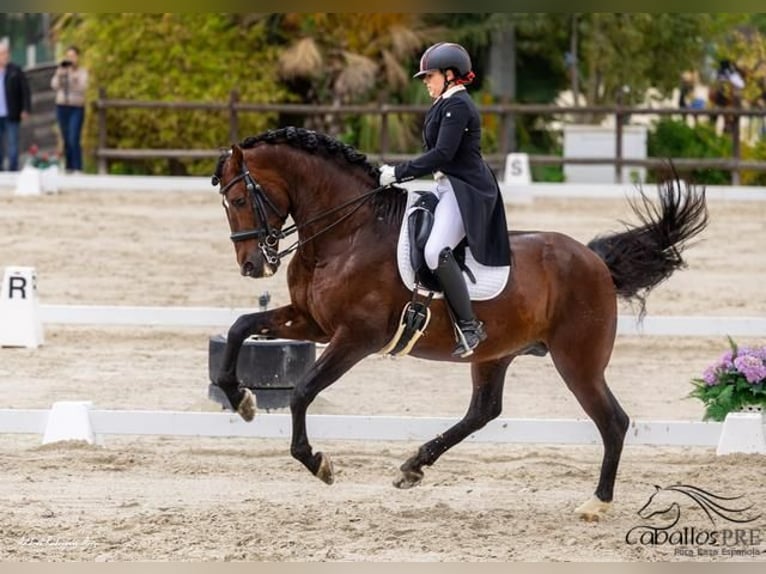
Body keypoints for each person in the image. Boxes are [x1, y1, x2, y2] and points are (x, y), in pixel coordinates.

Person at [378, 42, 512, 357]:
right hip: (446, 186)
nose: (425, 81)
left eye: (430, 75)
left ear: (450, 75)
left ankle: (469, 326)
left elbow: (442, 154)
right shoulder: (443, 104)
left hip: (466, 189)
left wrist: (399, 172)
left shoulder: (459, 106)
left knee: (437, 250)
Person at [51, 45, 88, 173]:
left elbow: (82, 87)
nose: (71, 59)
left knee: (74, 137)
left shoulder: (82, 72)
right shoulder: (62, 70)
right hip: (62, 106)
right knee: (65, 137)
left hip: (76, 107)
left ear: (77, 57)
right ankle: (69, 166)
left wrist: (72, 77)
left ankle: (78, 166)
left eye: (73, 56)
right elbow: (54, 85)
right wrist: (60, 74)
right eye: (68, 56)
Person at [0, 40, 31, 171]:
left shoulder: (15, 70)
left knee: (13, 143)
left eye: (6, 53)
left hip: (12, 113)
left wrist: (25, 109)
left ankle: (13, 168)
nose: (5, 56)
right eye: (2, 53)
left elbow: (25, 91)